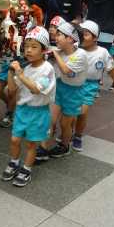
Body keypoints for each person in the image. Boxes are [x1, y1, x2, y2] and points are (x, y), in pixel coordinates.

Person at [1, 26, 56, 187]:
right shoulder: (25, 67)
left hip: (38, 112)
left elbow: (36, 89)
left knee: (31, 143)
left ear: (44, 50)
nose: (29, 50)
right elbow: (11, 90)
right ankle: (14, 162)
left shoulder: (47, 69)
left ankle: (26, 169)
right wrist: (11, 73)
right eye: (26, 47)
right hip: (22, 110)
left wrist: (20, 73)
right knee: (15, 140)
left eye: (34, 47)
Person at [77, 20, 114, 151]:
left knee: (82, 112)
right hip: (73, 83)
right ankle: (66, 134)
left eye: (86, 34)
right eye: (80, 34)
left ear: (95, 38)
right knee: (70, 112)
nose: (81, 37)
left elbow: (110, 68)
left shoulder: (102, 52)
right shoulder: (75, 48)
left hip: (90, 85)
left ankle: (77, 136)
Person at [48, 22, 88, 158]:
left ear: (70, 38)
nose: (55, 37)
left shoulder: (81, 54)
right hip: (60, 87)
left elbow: (66, 70)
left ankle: (65, 146)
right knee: (50, 120)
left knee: (65, 124)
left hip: (74, 93)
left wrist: (55, 54)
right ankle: (42, 148)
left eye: (59, 35)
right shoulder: (60, 51)